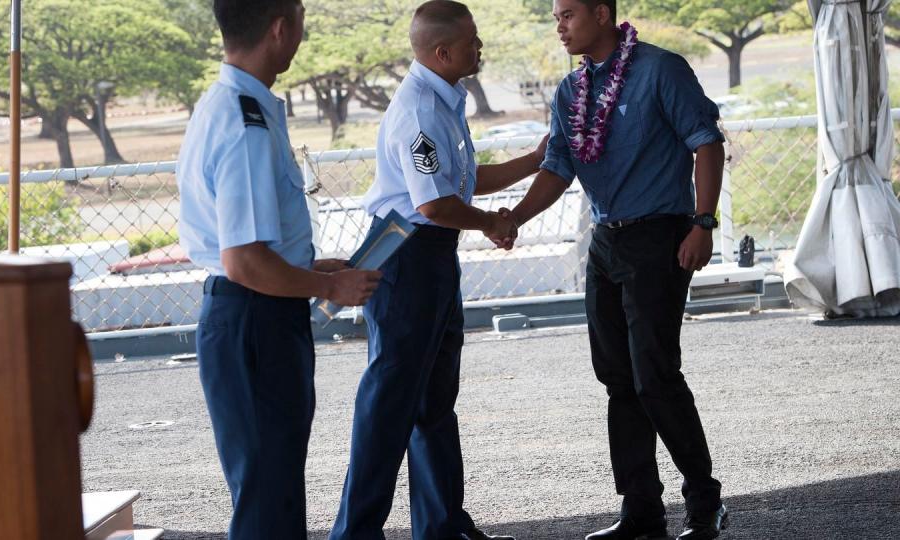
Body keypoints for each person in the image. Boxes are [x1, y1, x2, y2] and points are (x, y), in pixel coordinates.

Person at [500, 1, 729, 539]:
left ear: (602, 14)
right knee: (618, 380)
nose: (559, 25)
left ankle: (704, 504)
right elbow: (557, 166)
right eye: (556, 16)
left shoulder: (660, 69)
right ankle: (641, 512)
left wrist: (703, 222)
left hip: (661, 235)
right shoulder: (569, 91)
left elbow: (707, 143)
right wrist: (511, 218)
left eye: (568, 14)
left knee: (655, 376)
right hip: (605, 242)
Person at [328, 2, 546, 539]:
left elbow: (462, 183)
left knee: (433, 401)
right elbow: (434, 205)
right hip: (406, 256)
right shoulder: (420, 111)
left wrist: (533, 161)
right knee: (390, 403)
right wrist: (493, 225)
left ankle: (442, 526)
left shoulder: (445, 100)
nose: (480, 48)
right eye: (472, 41)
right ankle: (354, 533)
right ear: (442, 52)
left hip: (430, 256)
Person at [176, 1, 381, 538]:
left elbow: (249, 248)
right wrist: (328, 285)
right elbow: (243, 259)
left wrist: (306, 267)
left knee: (275, 486)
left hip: (257, 311)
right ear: (280, 28)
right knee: (269, 497)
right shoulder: (243, 120)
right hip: (256, 317)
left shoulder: (232, 104)